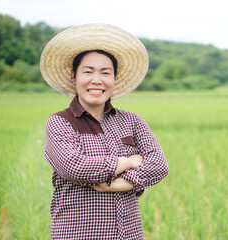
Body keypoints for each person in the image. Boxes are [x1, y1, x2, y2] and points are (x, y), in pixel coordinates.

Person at [40, 23, 169, 239]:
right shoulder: (60, 122)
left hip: (128, 234)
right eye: (88, 72)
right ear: (74, 75)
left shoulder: (132, 121)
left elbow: (159, 165)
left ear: (114, 77)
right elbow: (75, 167)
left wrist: (120, 185)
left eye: (105, 73)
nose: (97, 80)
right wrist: (128, 161)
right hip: (77, 235)